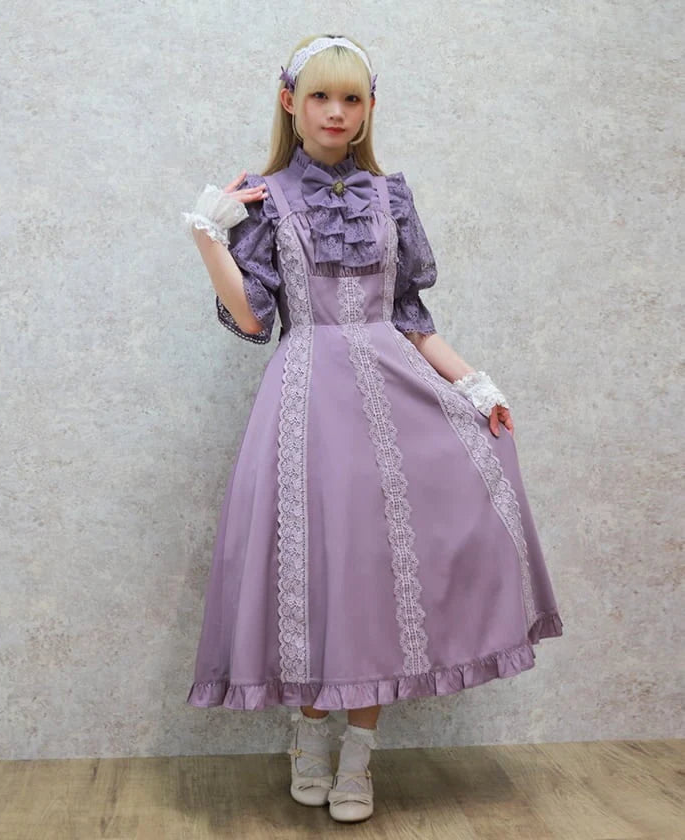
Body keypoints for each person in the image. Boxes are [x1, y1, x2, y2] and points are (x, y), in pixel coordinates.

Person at [181, 33, 564, 824]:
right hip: (306, 406)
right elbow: (253, 320)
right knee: (318, 571)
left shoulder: (391, 199)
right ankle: (308, 741)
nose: (336, 111)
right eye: (320, 96)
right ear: (290, 102)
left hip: (393, 397)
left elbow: (412, 321)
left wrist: (477, 386)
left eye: (351, 98)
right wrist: (208, 237)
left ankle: (358, 760)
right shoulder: (264, 199)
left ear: (368, 108)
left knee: (378, 579)